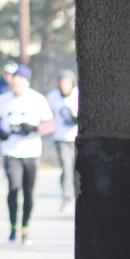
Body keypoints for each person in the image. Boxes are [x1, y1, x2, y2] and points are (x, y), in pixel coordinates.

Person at [0, 64, 55, 245]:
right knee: (13, 187)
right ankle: (13, 227)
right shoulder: (3, 99)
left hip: (31, 151)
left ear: (27, 82)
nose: (15, 83)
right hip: (11, 151)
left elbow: (50, 124)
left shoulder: (37, 99)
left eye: (20, 80)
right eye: (14, 79)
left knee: (28, 192)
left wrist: (34, 128)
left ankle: (25, 228)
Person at [46, 69, 79, 212]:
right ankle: (67, 197)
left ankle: (78, 194)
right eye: (62, 82)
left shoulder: (78, 95)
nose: (65, 85)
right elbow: (46, 115)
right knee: (66, 167)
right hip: (61, 138)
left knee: (77, 169)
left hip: (77, 138)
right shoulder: (52, 97)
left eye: (67, 82)